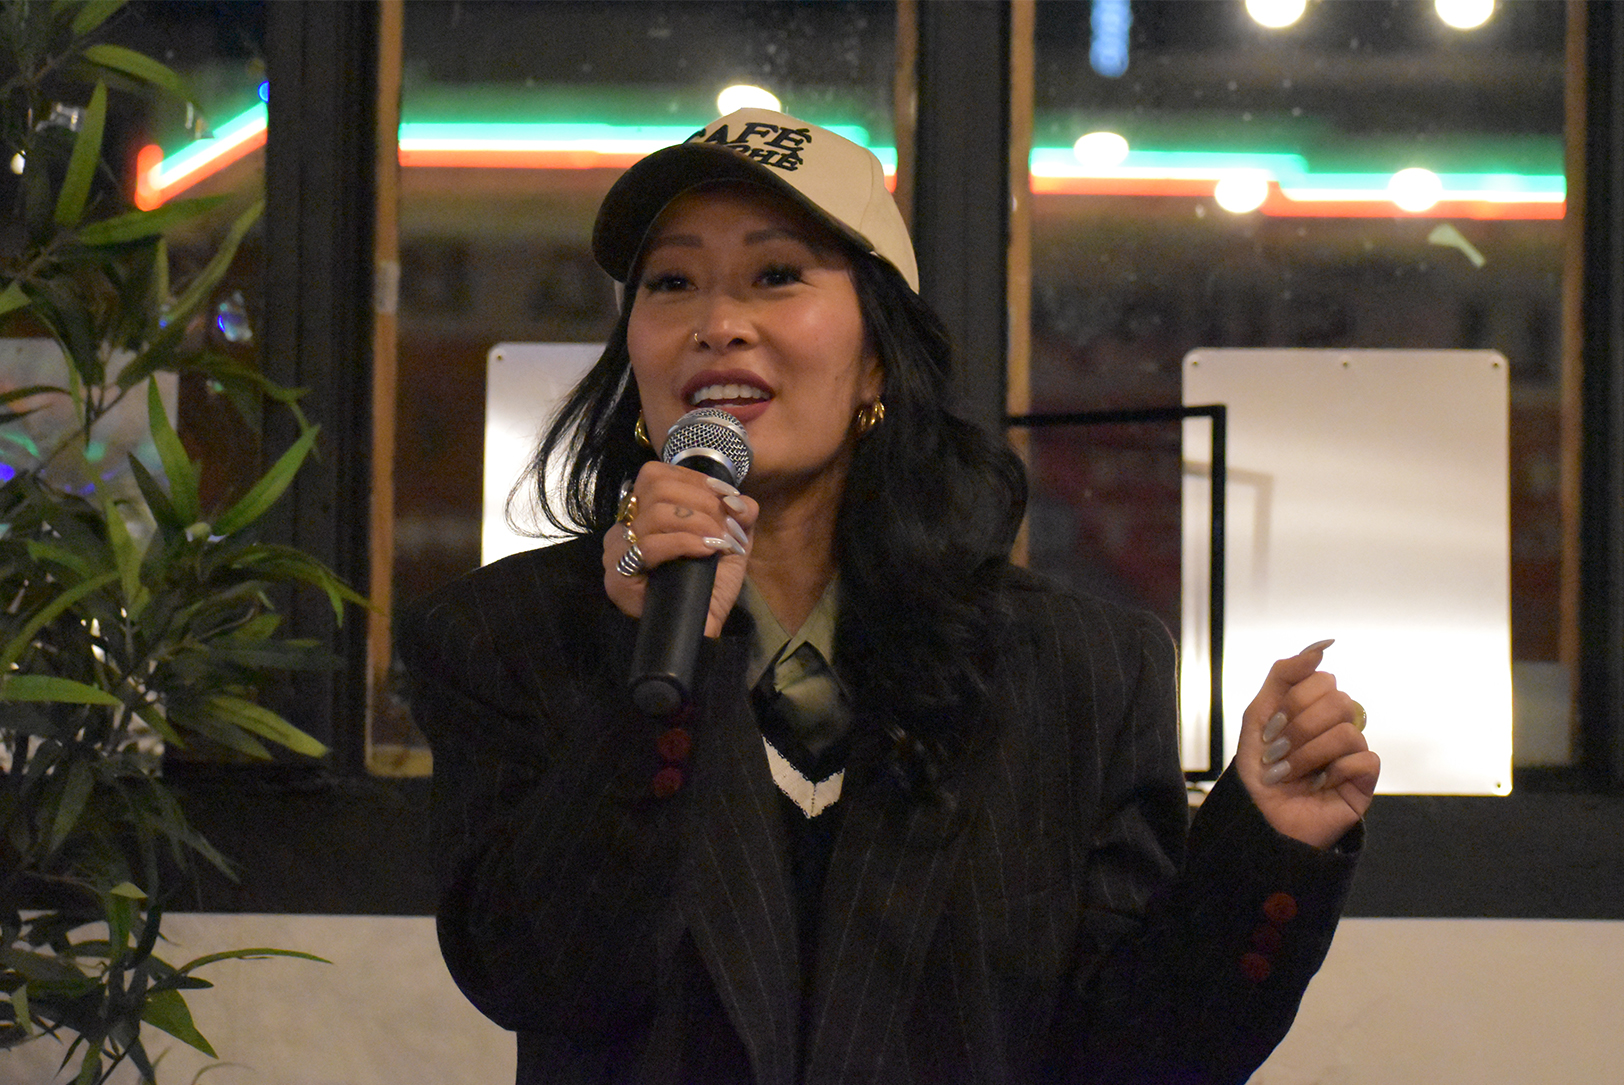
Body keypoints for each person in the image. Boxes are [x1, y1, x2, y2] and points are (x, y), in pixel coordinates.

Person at [398, 108, 1380, 1085]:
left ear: (877, 350)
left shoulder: (1075, 666)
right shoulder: (507, 635)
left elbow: (1135, 1055)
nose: (717, 323)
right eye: (671, 282)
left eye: (776, 275)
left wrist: (1266, 842)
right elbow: (541, 979)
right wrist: (653, 669)